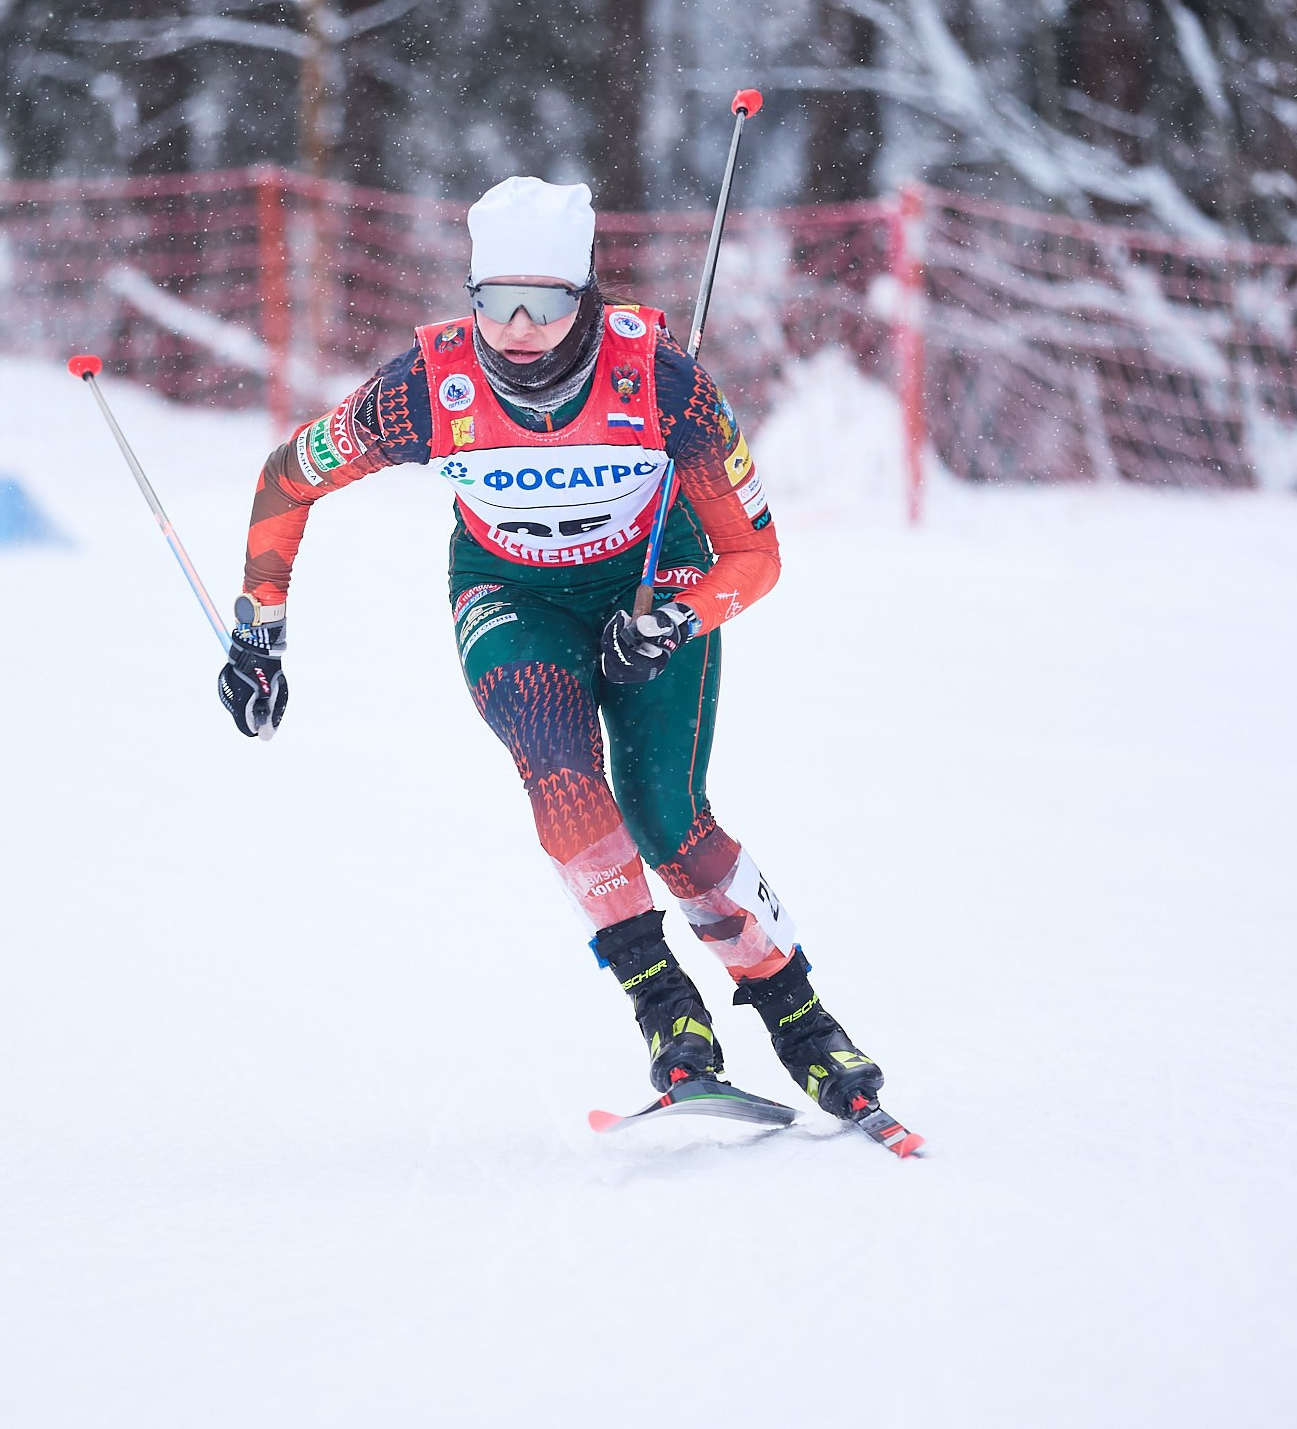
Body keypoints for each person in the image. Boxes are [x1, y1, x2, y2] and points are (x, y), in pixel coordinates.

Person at [216, 176, 889, 1122]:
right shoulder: (424, 392)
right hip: (510, 590)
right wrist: (260, 626)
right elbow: (288, 477)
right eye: (496, 302)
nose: (520, 327)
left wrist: (675, 618)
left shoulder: (663, 383)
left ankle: (805, 1025)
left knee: (668, 820)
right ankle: (668, 1013)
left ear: (587, 294)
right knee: (560, 771)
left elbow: (755, 553)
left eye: (548, 301)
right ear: (471, 296)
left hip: (653, 581)